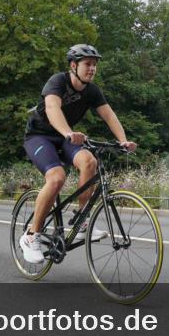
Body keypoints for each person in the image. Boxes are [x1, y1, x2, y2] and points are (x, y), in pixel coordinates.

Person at [18, 44, 137, 264]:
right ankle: (31, 236)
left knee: (89, 161)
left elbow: (109, 115)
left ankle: (81, 222)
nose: (92, 69)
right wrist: (68, 132)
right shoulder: (57, 82)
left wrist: (123, 141)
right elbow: (53, 109)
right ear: (74, 65)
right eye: (87, 64)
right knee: (57, 178)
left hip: (65, 137)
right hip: (39, 136)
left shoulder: (92, 90)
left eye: (94, 65)